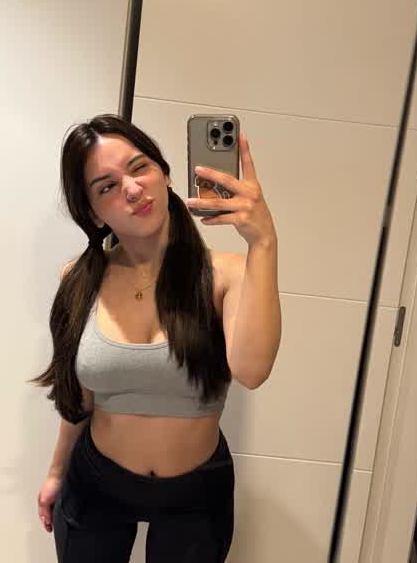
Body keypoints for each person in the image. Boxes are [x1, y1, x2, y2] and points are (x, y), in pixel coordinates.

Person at [30, 113, 281, 562]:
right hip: (95, 484)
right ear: (93, 212)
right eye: (106, 186)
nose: (131, 189)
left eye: (139, 167)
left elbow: (253, 370)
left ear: (164, 173)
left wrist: (263, 243)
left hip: (195, 496)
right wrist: (55, 472)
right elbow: (79, 397)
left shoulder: (227, 274)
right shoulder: (80, 279)